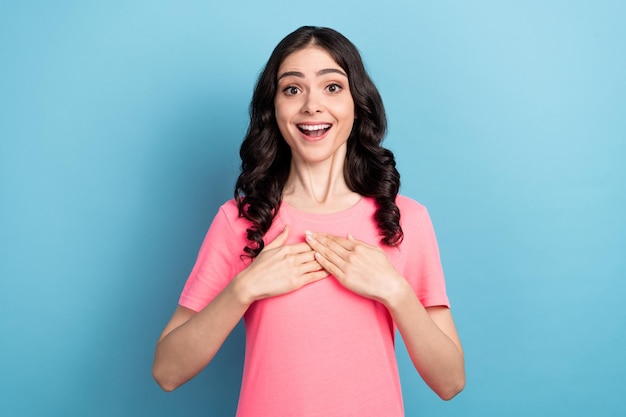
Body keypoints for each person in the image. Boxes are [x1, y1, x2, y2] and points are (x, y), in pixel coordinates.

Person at [152, 26, 465, 416]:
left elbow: (450, 382)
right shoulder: (240, 221)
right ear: (274, 108)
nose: (312, 106)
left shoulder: (405, 220)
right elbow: (167, 371)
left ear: (357, 103)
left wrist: (395, 291)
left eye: (332, 87)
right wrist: (243, 289)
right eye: (293, 89)